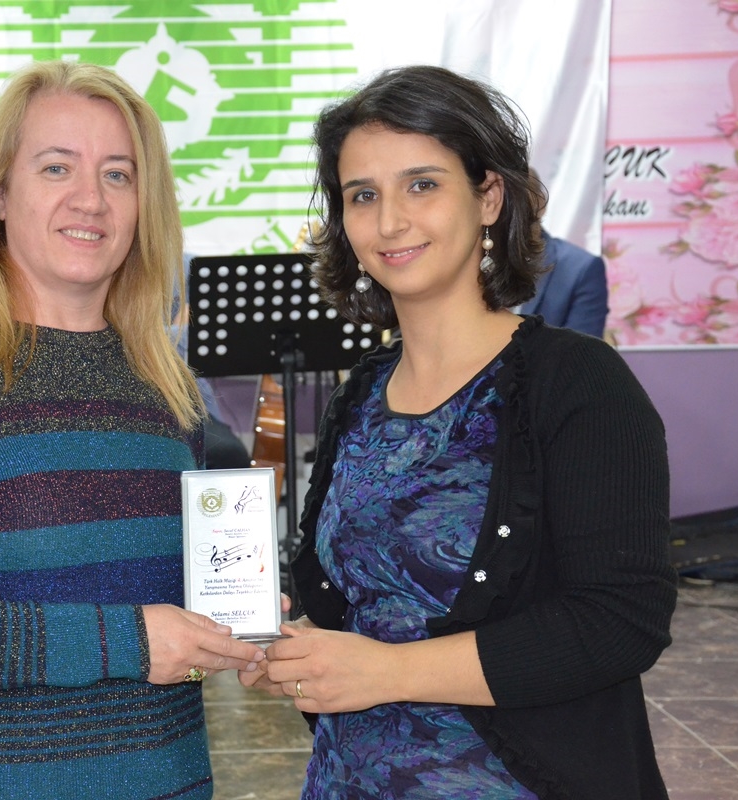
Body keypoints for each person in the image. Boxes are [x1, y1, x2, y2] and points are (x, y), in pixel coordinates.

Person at [0, 61, 265, 800]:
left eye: (119, 175)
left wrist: (231, 627)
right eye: (56, 167)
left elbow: (154, 601)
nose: (91, 198)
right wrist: (127, 642)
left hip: (163, 777)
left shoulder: (168, 385)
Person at [240, 66, 676, 798]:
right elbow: (364, 604)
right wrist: (295, 647)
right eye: (362, 195)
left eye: (422, 185)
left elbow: (620, 620)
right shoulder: (360, 395)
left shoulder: (579, 382)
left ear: (489, 197)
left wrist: (388, 670)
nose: (390, 222)